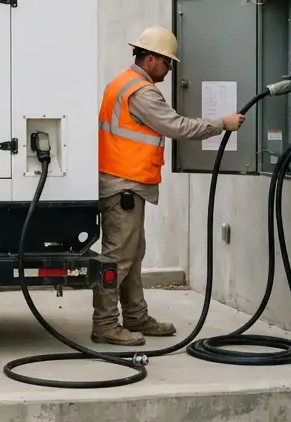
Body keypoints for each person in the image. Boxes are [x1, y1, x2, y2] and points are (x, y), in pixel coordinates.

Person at [92, 25, 246, 346]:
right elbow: (175, 126)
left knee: (132, 256)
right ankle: (105, 324)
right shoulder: (142, 92)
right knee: (118, 259)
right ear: (150, 59)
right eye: (167, 62)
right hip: (124, 188)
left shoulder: (121, 83)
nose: (169, 69)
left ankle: (135, 317)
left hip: (124, 185)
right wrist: (222, 124)